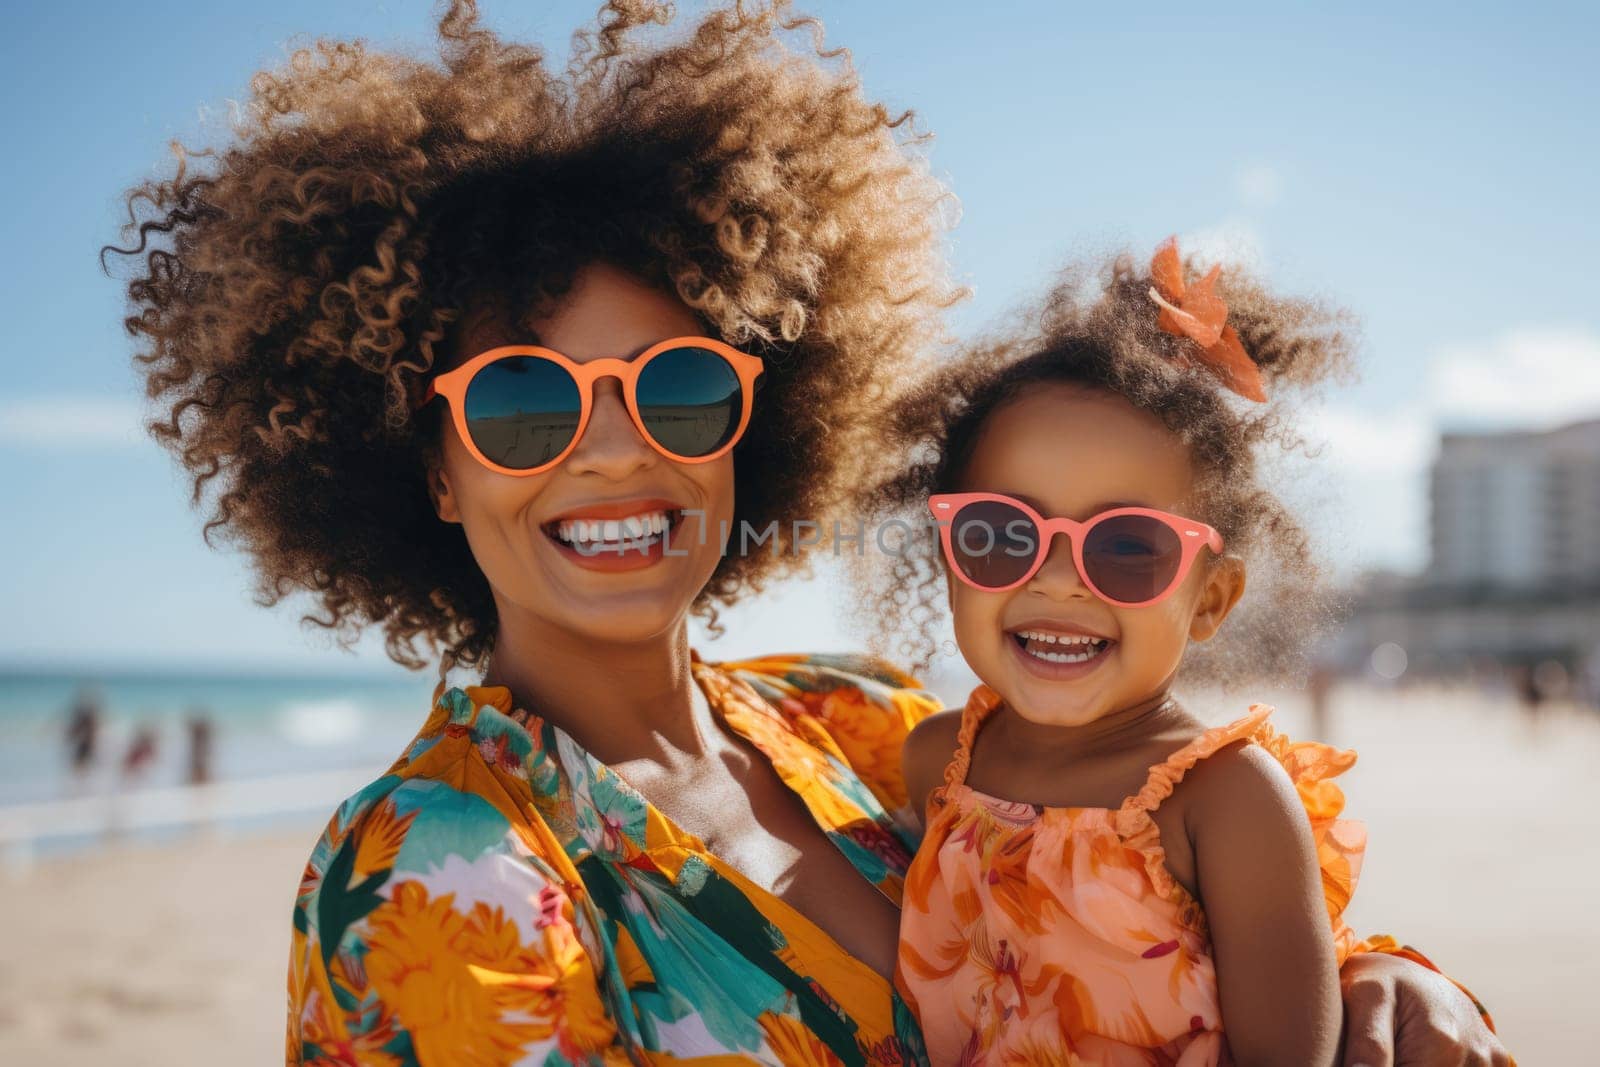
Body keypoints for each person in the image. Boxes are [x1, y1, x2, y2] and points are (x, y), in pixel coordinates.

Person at [104, 2, 1506, 1063]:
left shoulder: (867, 723)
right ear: (432, 472)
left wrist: (1392, 978)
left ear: (755, 426)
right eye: (525, 399)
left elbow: (1154, 925)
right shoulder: (438, 861)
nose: (614, 446)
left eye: (681, 386)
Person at [865, 239, 1509, 1063]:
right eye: (1002, 535)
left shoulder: (1227, 799)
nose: (1059, 580)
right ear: (947, 555)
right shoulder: (936, 764)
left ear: (1210, 599)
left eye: (1128, 547)